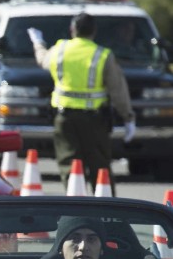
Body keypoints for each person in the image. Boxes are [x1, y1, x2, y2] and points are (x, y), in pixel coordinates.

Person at [29, 12, 135, 193]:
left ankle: (76, 213)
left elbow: (42, 59)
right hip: (94, 121)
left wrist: (37, 42)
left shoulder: (60, 50)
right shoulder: (102, 55)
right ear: (94, 31)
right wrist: (128, 118)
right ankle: (108, 214)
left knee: (71, 169)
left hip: (64, 120)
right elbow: (118, 90)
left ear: (72, 30)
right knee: (100, 168)